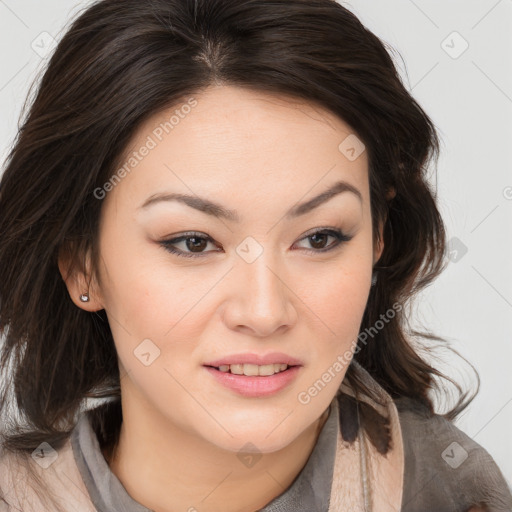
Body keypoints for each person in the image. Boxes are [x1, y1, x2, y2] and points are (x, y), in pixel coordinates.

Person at [0, 1, 510, 511]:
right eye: (193, 242)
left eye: (320, 238)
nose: (265, 312)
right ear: (81, 264)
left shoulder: (451, 492)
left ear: (379, 240)